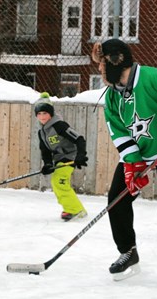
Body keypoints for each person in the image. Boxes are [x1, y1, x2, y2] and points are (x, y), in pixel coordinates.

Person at [92, 38, 157, 282]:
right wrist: (132, 161)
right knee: (116, 200)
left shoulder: (153, 77)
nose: (99, 70)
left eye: (101, 64)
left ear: (115, 61)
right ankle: (128, 252)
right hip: (139, 152)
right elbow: (118, 131)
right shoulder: (111, 96)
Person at [35, 92, 89, 221]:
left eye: (45, 113)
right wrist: (48, 164)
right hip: (60, 159)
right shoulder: (42, 132)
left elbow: (79, 139)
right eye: (39, 114)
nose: (42, 116)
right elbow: (45, 151)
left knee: (60, 181)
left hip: (70, 156)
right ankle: (70, 208)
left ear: (51, 113)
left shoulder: (59, 125)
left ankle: (77, 210)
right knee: (56, 182)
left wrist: (81, 156)